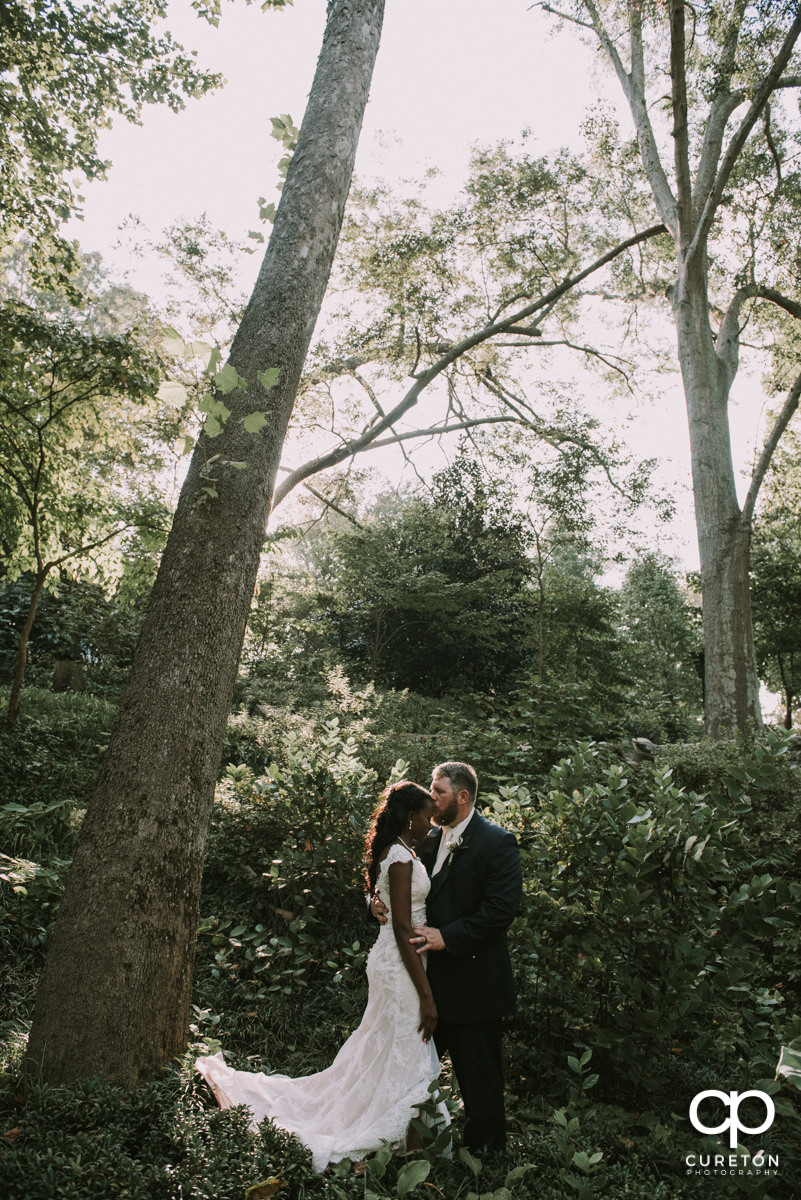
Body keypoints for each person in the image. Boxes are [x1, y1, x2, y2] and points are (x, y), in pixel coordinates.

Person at [195, 781, 449, 1172]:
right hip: (401, 964)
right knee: (407, 1039)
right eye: (426, 817)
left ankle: (405, 1132)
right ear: (410, 815)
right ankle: (397, 1134)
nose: (431, 824)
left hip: (399, 960)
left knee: (390, 1043)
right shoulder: (399, 856)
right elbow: (401, 927)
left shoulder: (402, 850)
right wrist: (428, 996)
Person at [372, 761, 522, 1155]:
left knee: (479, 1076)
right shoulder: (425, 836)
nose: (431, 798)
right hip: (422, 981)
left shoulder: (496, 842)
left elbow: (501, 909)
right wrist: (372, 900)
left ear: (463, 797)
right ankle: (413, 1142)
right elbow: (394, 881)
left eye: (438, 792)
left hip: (474, 980)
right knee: (413, 1069)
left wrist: (448, 937)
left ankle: (486, 1155)